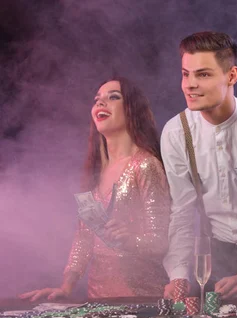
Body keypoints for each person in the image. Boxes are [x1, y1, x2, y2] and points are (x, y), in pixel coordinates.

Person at [20, 77, 171, 300]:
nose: (101, 104)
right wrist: (66, 287)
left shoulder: (146, 164)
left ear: (132, 109)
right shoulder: (95, 173)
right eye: (97, 100)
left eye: (113, 97)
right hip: (98, 301)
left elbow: (162, 242)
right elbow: (84, 238)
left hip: (141, 300)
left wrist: (131, 239)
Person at [161, 31, 237, 302]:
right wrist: (179, 275)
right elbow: (181, 213)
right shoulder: (175, 132)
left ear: (232, 76)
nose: (189, 85)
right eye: (185, 74)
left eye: (202, 74)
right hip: (216, 259)